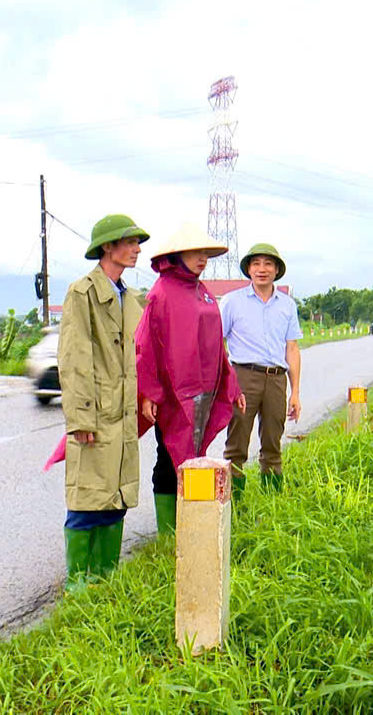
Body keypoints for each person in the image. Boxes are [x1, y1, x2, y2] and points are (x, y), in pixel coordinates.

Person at [57, 214, 148, 589]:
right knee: (86, 495)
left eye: (137, 243)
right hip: (95, 408)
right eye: (128, 242)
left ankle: (106, 574)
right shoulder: (83, 293)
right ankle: (79, 579)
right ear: (107, 247)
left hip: (124, 410)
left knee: (117, 492)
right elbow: (73, 357)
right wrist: (80, 418)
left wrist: (145, 400)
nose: (136, 249)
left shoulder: (131, 297)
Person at [135, 224, 243, 534]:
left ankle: (192, 526)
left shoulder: (202, 291)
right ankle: (170, 532)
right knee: (169, 457)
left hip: (204, 391)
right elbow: (147, 346)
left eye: (205, 254)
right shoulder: (161, 292)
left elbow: (216, 345)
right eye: (196, 253)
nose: (202, 259)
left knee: (196, 454)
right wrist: (150, 393)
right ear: (177, 255)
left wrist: (231, 385)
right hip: (173, 394)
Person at [221, 243, 302, 494]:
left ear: (277, 270)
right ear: (248, 269)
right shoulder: (232, 302)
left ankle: (272, 500)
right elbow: (216, 343)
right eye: (256, 263)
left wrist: (295, 392)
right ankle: (234, 504)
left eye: (268, 264)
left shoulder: (287, 305)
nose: (262, 269)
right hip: (243, 376)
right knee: (236, 444)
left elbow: (292, 349)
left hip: (276, 379)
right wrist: (227, 382)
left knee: (272, 443)